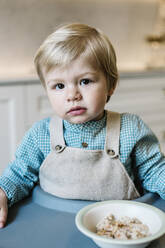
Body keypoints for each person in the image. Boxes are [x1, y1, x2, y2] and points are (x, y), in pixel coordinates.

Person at [0, 23, 165, 229]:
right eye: (59, 86)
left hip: (118, 230)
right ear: (46, 90)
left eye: (85, 81)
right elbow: (19, 174)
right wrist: (3, 192)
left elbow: (155, 171)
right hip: (54, 228)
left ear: (111, 84)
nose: (72, 95)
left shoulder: (130, 129)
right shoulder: (41, 134)